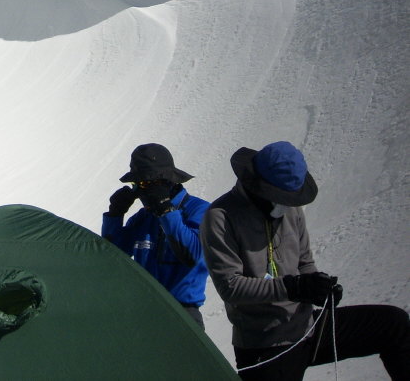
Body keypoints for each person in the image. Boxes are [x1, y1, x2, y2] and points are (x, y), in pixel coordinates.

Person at [200, 141, 410, 380]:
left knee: (394, 324)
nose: (286, 204)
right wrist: (294, 287)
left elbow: (304, 261)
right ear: (258, 187)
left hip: (308, 327)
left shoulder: (289, 207)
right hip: (265, 345)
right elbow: (231, 287)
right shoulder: (220, 218)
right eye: (278, 197)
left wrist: (319, 287)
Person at [102, 143, 210, 328]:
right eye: (137, 185)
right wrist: (114, 215)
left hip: (183, 315)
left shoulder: (200, 211)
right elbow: (111, 258)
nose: (142, 192)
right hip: (143, 312)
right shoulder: (144, 217)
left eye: (145, 184)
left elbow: (192, 255)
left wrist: (166, 210)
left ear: (166, 181)